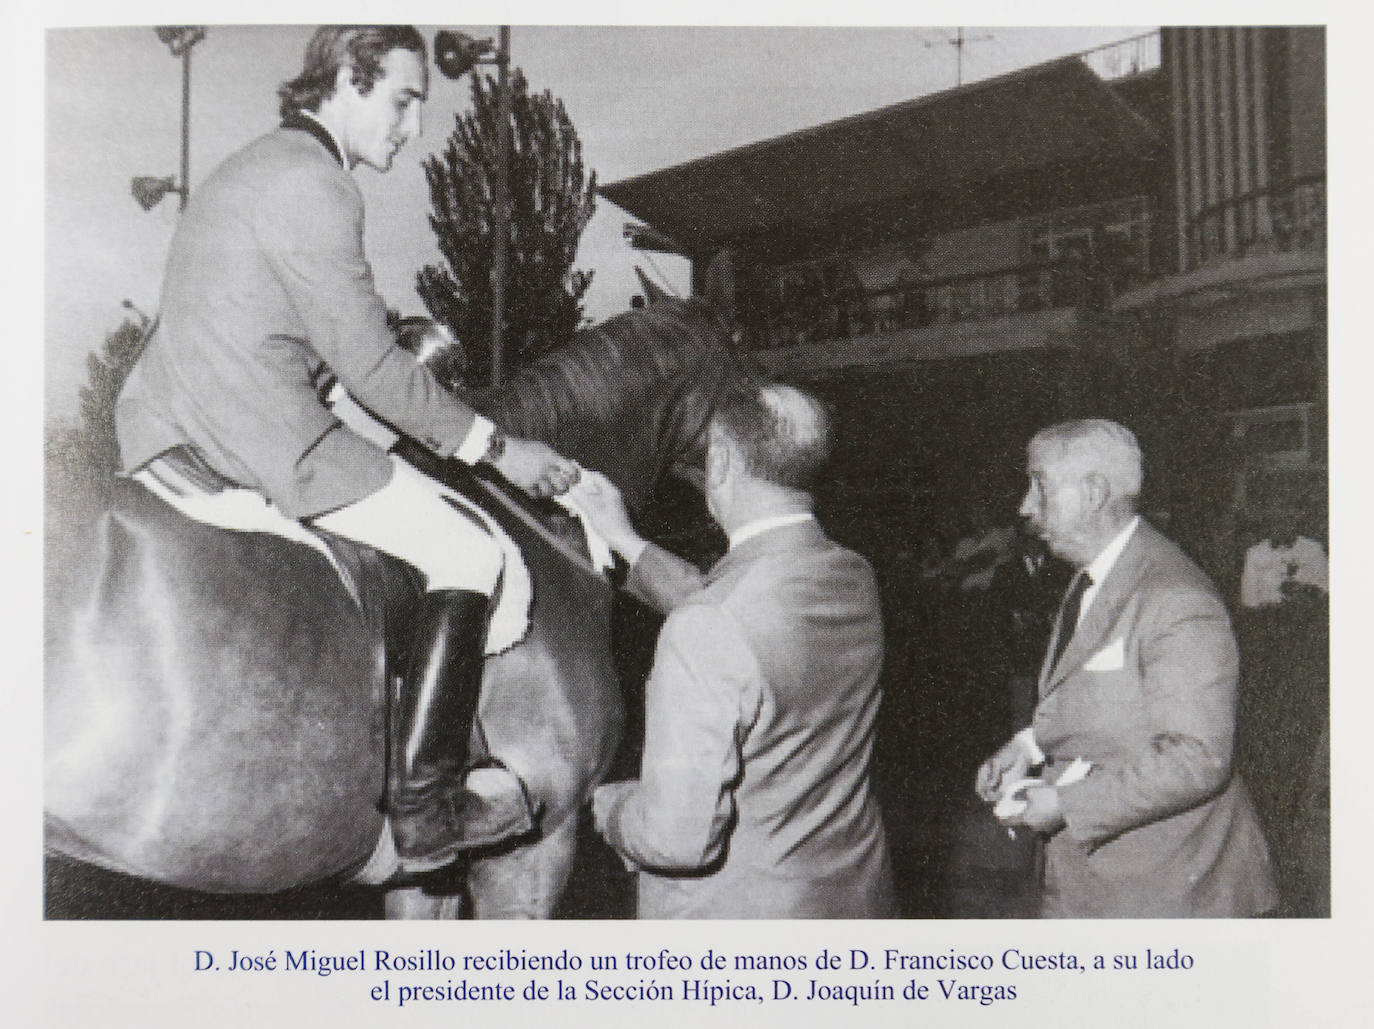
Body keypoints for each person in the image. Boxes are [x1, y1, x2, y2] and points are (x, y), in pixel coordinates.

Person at [114, 26, 580, 874]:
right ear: (346, 83)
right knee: (468, 547)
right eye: (403, 100)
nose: (410, 128)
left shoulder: (251, 164)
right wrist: (496, 448)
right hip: (254, 434)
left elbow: (278, 325)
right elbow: (371, 364)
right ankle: (429, 805)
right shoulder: (319, 184)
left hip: (165, 420)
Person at [568, 383, 894, 918]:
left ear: (719, 464)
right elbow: (744, 619)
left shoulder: (710, 626)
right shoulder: (852, 575)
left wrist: (616, 808)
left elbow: (676, 841)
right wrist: (624, 542)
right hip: (850, 899)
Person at [975, 419, 1277, 917]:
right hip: (1106, 883)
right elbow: (1099, 689)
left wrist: (1065, 805)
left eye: (1040, 486)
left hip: (1167, 894)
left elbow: (1197, 759)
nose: (1024, 507)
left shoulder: (1175, 597)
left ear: (1093, 494)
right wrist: (1028, 745)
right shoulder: (1094, 577)